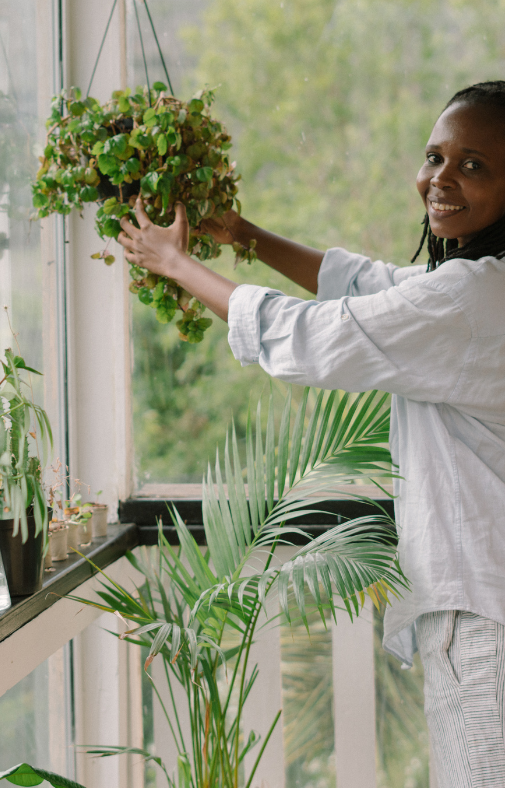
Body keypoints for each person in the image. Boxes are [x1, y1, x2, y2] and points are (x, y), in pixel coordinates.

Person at [117, 80, 505, 788]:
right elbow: (378, 288)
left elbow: (312, 335)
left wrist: (173, 262)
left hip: (487, 618)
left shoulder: (474, 296)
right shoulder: (479, 286)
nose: (440, 179)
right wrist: (245, 236)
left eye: (473, 164)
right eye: (434, 157)